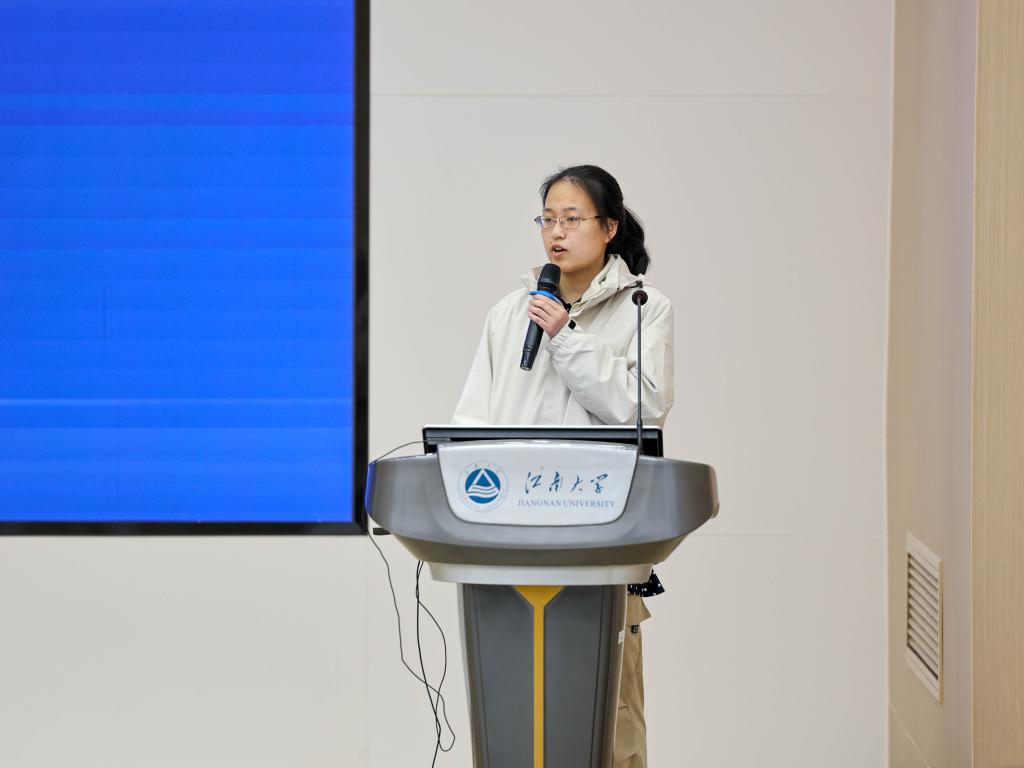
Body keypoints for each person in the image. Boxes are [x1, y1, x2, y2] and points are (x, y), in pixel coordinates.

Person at [452, 164, 674, 768]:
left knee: (608, 719)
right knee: (515, 710)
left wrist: (566, 335)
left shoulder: (643, 308)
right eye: (547, 219)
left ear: (609, 227)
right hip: (511, 543)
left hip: (600, 542)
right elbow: (471, 424)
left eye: (572, 219)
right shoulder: (509, 313)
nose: (556, 232)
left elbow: (642, 408)